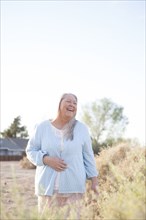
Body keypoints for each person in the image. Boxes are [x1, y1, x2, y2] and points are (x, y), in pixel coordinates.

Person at [26, 93, 98, 217]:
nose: (72, 105)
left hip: (74, 188)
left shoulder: (82, 129)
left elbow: (88, 157)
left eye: (75, 103)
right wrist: (46, 159)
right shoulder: (42, 127)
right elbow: (30, 151)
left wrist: (94, 182)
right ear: (59, 104)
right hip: (46, 189)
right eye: (68, 101)